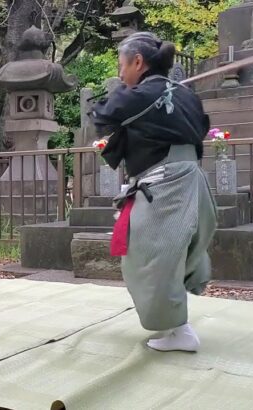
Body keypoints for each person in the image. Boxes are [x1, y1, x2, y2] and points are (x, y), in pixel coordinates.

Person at [89, 32, 216, 352]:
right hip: (190, 179)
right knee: (168, 252)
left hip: (164, 184)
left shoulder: (139, 96)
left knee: (149, 256)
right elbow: (198, 129)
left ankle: (180, 330)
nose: (120, 74)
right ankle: (177, 324)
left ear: (137, 62)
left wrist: (130, 94)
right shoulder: (187, 95)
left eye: (122, 66)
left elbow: (102, 115)